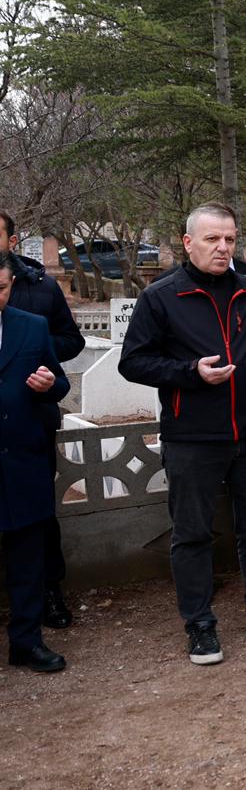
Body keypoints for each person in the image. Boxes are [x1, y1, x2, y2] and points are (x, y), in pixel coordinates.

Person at [119, 202, 246, 664]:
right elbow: (132, 362)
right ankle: (199, 625)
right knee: (192, 533)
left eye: (230, 239)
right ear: (188, 243)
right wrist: (190, 372)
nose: (223, 247)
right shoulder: (161, 296)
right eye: (213, 239)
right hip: (192, 436)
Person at [0, 211, 86, 629]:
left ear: (12, 240)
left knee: (35, 519)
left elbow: (71, 342)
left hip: (30, 424)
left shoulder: (39, 286)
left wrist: (27, 347)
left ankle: (48, 593)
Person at [0, 259, 71, 673]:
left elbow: (59, 382)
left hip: (24, 461)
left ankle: (26, 642)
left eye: (3, 288)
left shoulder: (31, 326)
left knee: (28, 559)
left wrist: (49, 386)